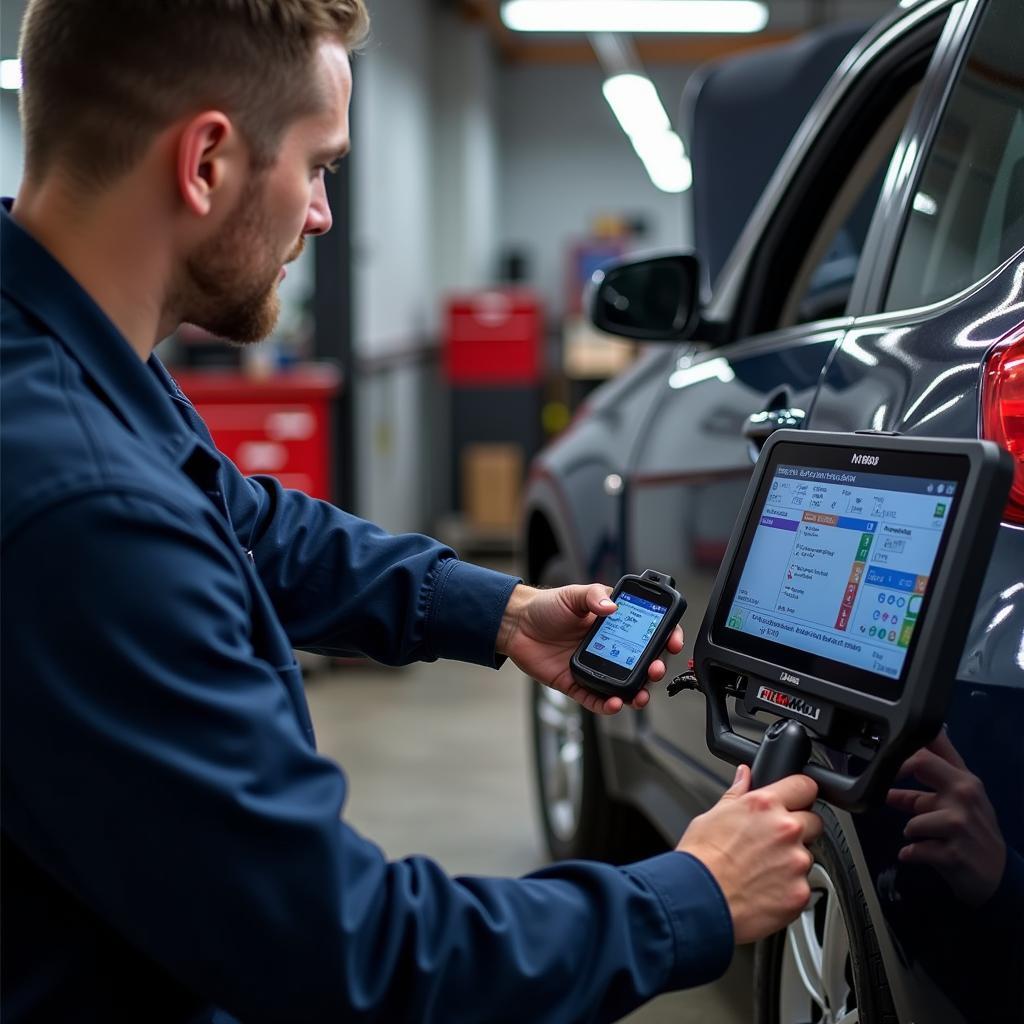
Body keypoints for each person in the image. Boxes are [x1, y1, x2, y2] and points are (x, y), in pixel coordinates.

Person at [0, 2, 822, 1021]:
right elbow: (348, 952)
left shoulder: (56, 358)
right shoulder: (82, 509)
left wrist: (497, 609)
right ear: (206, 161)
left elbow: (244, 525)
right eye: (319, 165)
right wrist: (688, 896)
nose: (322, 216)